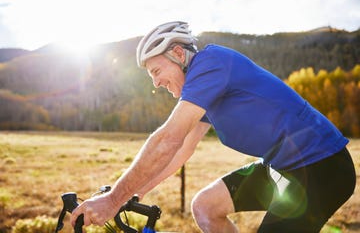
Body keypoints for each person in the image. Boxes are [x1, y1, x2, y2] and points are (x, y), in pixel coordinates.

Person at [71, 21, 356, 232]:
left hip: (321, 166)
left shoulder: (210, 63)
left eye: (156, 71)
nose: (156, 83)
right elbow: (181, 148)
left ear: (179, 54)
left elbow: (168, 138)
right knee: (206, 206)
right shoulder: (205, 89)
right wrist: (135, 193)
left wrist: (112, 199)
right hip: (284, 167)